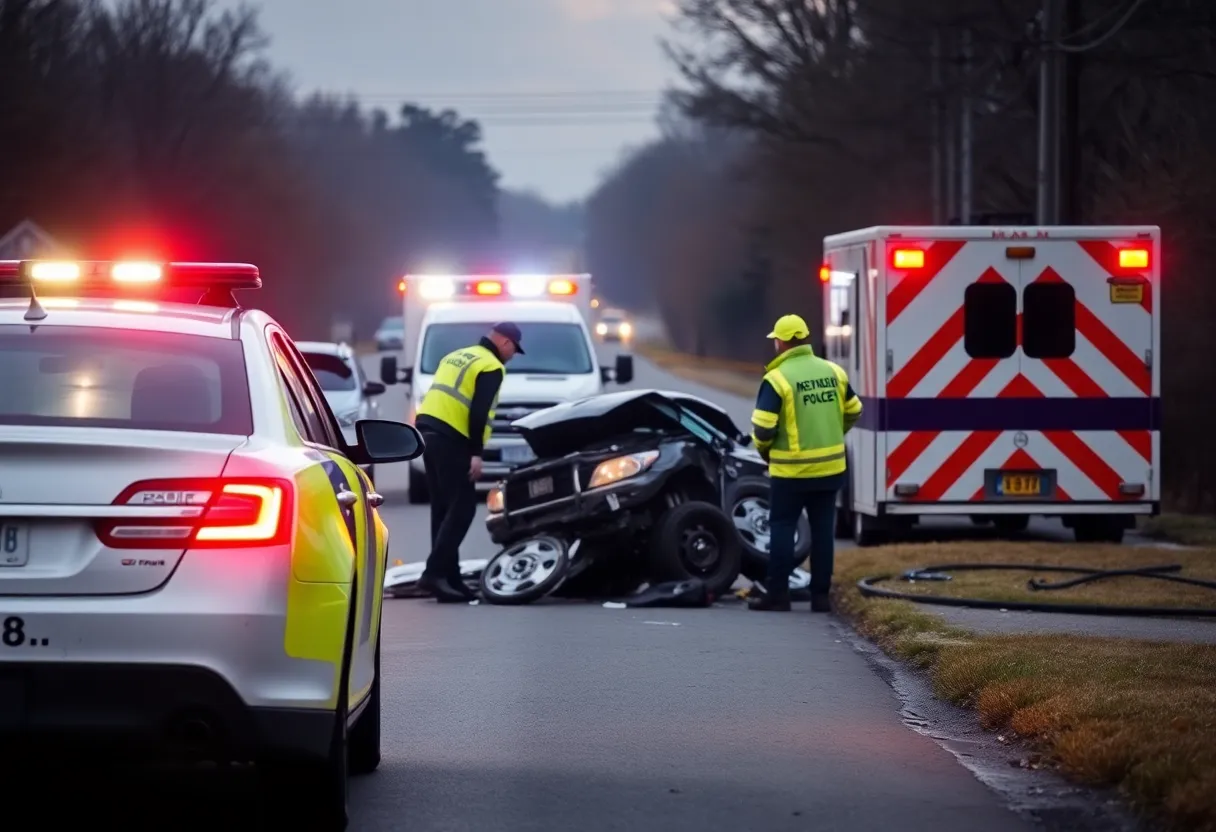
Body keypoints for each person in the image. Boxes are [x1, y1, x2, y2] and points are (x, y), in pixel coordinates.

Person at [747, 314, 862, 613]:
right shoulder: (834, 372)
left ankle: (778, 595)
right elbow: (854, 409)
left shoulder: (778, 378)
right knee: (824, 532)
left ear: (782, 342)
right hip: (830, 470)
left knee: (783, 528)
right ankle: (821, 597)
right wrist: (837, 431)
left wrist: (764, 451)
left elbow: (762, 427)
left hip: (791, 472)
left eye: (776, 339)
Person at [414, 322, 523, 602]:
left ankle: (450, 579)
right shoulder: (491, 366)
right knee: (463, 509)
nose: (511, 356)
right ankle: (434, 573)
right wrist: (476, 453)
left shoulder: (457, 355)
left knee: (442, 508)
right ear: (506, 343)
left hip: (427, 432)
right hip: (452, 437)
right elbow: (478, 412)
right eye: (513, 351)